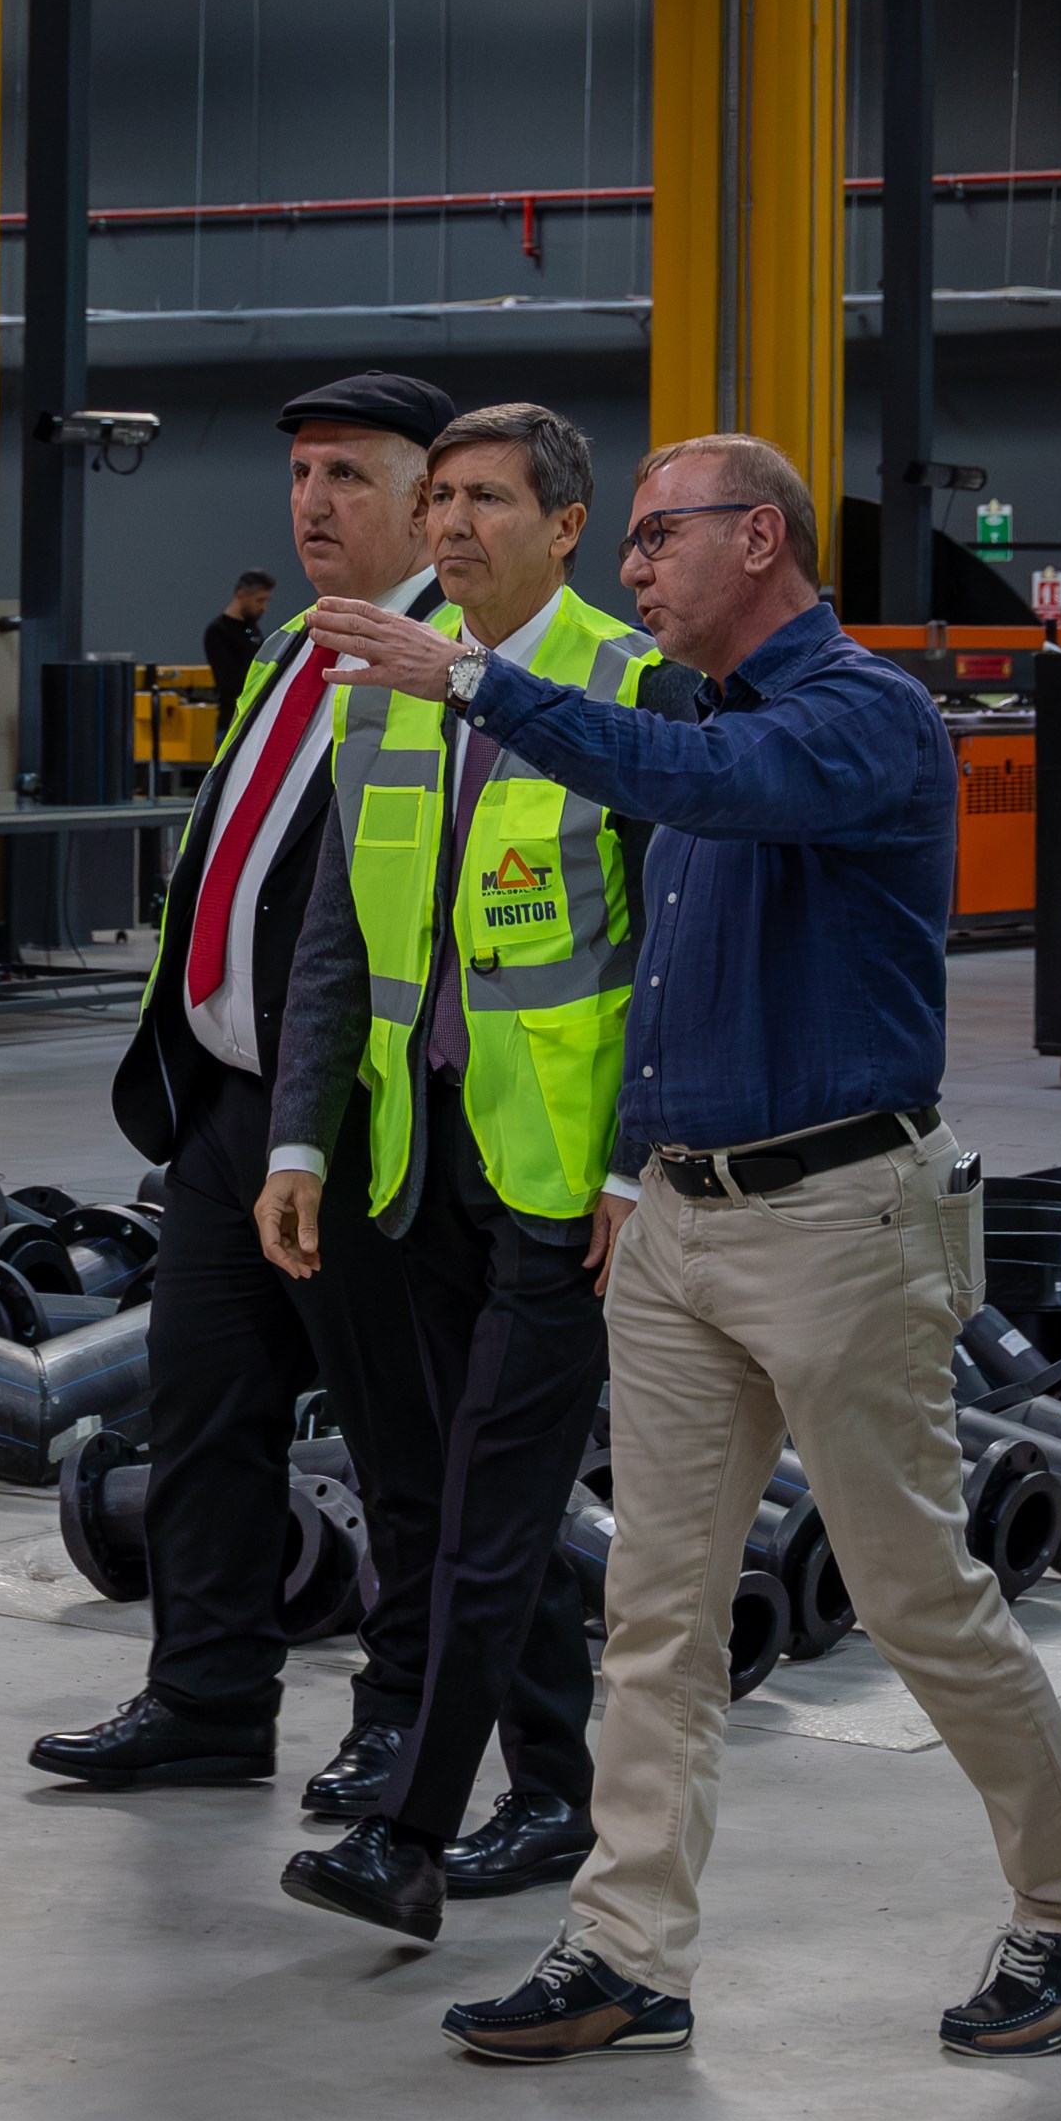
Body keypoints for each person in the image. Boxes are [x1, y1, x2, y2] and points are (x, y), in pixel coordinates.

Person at [318, 429, 1061, 2073]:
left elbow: (706, 788)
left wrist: (474, 681)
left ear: (760, 540)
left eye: (657, 537)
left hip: (837, 1219)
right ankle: (627, 1949)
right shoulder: (697, 726)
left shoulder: (857, 716)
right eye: (629, 544)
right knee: (656, 1609)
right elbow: (669, 954)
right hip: (684, 1221)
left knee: (916, 1595)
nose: (632, 569)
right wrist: (634, 1169)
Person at [262, 406, 699, 1935]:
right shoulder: (384, 681)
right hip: (420, 1154)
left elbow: (673, 958)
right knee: (477, 1493)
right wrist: (302, 1137)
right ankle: (558, 1790)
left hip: (566, 1181)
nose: (451, 524)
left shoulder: (634, 688)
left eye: (489, 499)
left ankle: (410, 1833)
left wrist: (634, 1166)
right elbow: (338, 938)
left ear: (568, 525)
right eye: (439, 497)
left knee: (490, 1507)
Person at [32, 373, 460, 1800]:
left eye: (348, 475)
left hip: (357, 1124)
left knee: (400, 1443)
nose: (312, 502)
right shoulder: (293, 649)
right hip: (227, 1109)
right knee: (206, 1416)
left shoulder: (453, 672)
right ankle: (207, 1699)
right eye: (301, 475)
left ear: (428, 501)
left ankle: (404, 1725)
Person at [201, 573, 275, 736]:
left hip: (253, 719)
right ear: (241, 594)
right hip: (231, 723)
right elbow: (230, 682)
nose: (264, 607)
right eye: (259, 600)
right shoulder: (218, 631)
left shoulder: (252, 629)